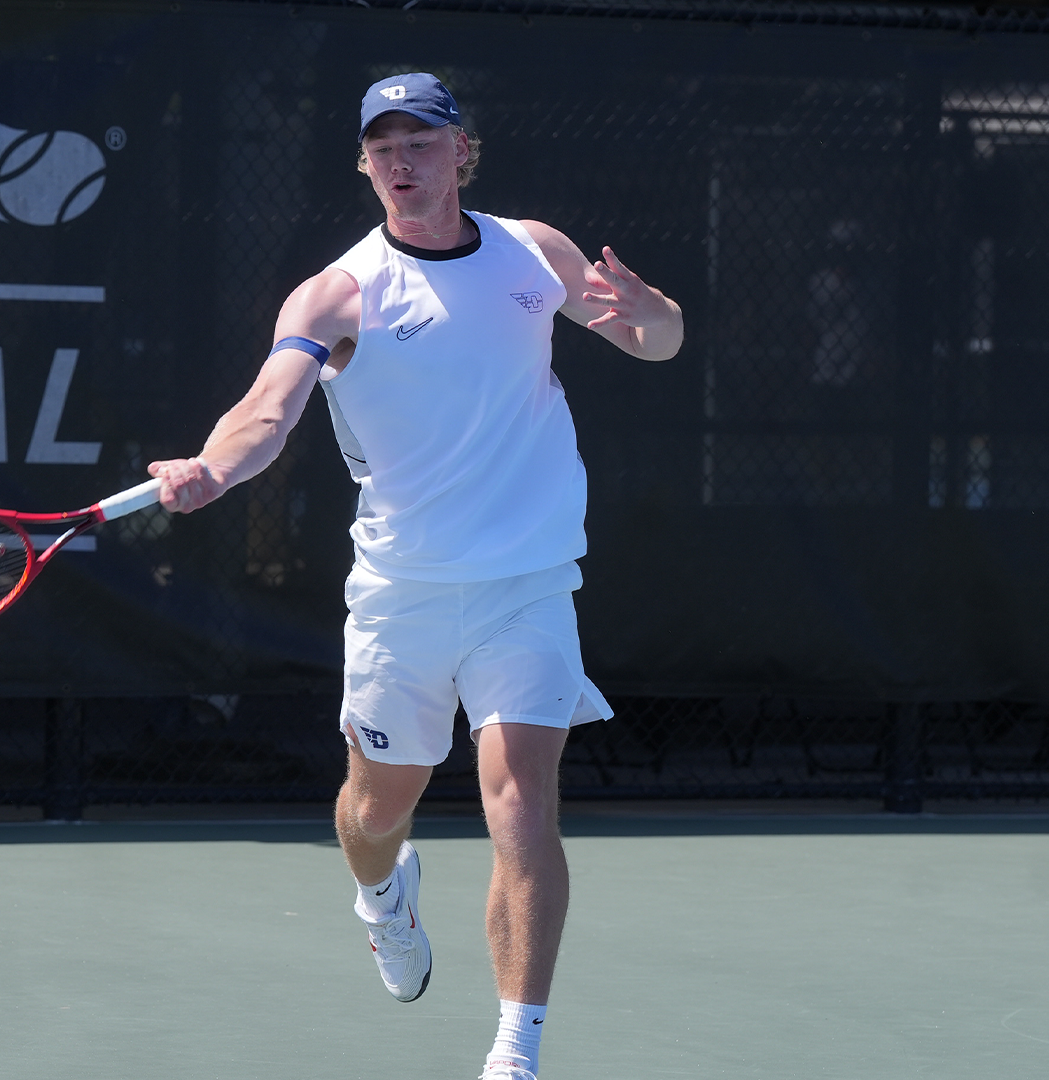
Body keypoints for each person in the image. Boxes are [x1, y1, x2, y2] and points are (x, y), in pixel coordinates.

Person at [146, 72, 682, 1080]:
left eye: (421, 143)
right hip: (404, 597)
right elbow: (268, 407)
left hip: (527, 582)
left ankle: (516, 1049)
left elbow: (655, 343)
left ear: (461, 152)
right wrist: (213, 468)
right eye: (383, 147)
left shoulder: (536, 252)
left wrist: (655, 316)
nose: (403, 162)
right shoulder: (339, 293)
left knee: (522, 801)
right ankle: (382, 896)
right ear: (364, 164)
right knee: (373, 812)